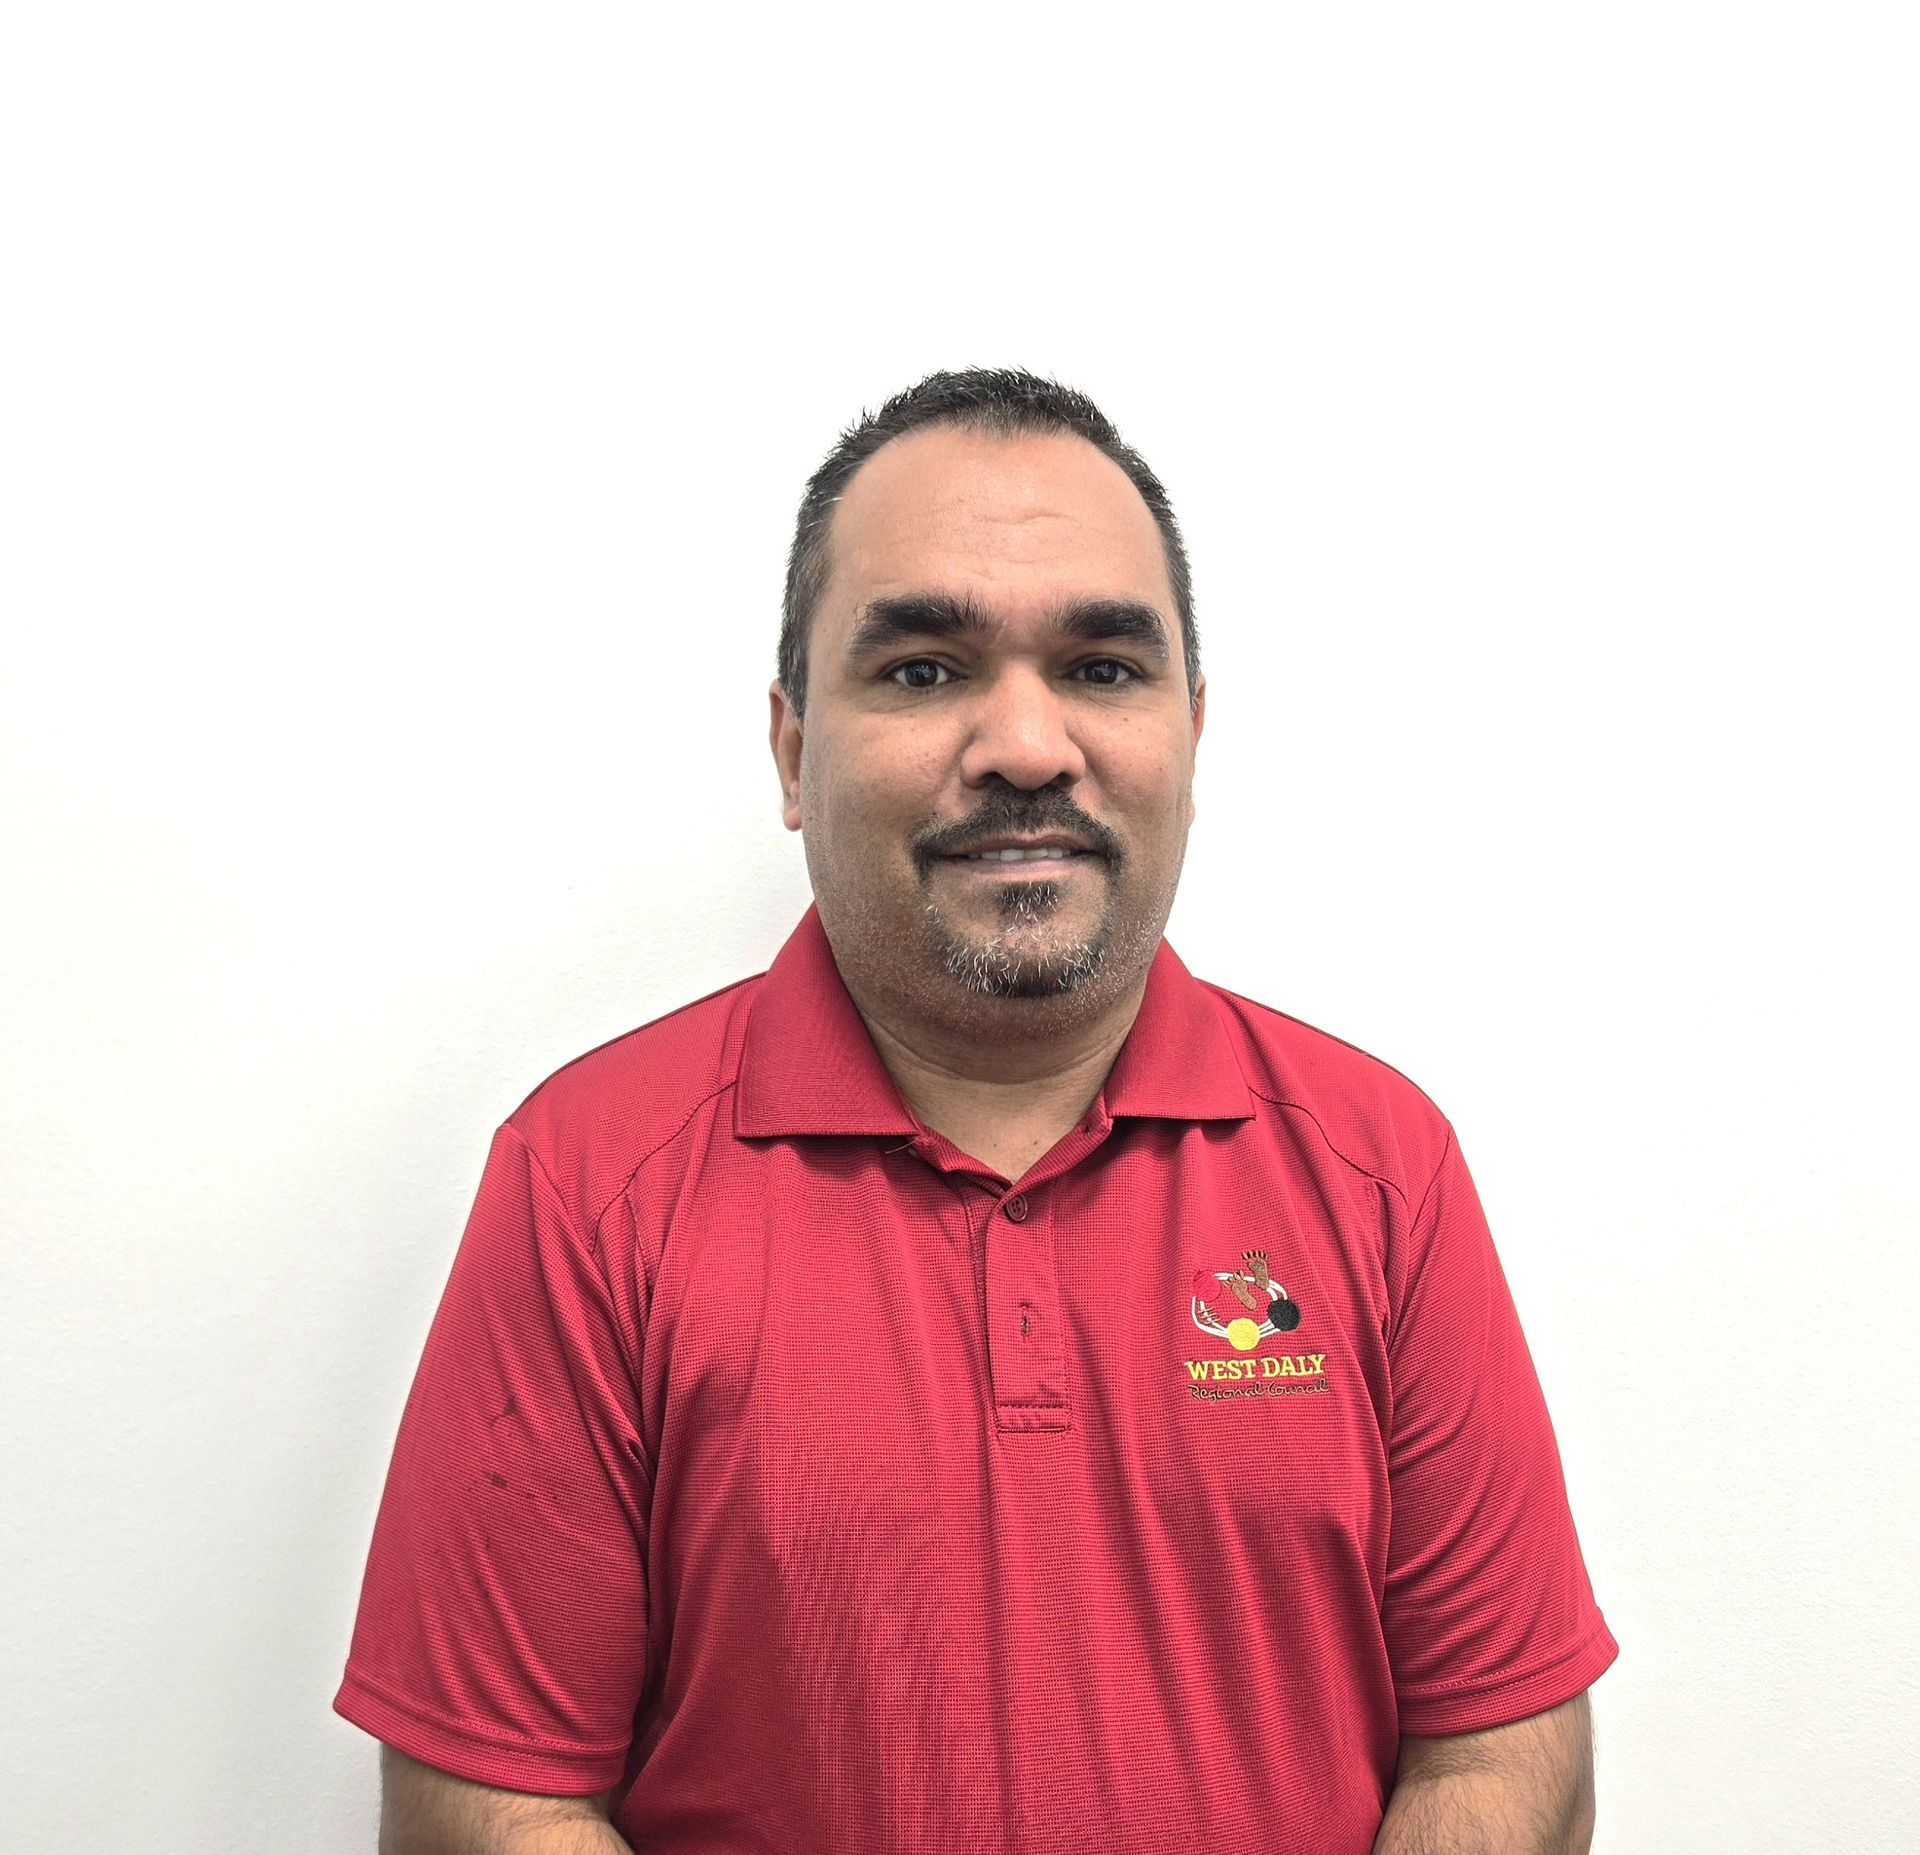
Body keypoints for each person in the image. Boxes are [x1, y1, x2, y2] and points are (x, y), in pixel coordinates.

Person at [334, 368, 1618, 1853]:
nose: (1025, 745)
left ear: (1192, 739)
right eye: (927, 669)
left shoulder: (1379, 1166)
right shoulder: (588, 1182)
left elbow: (1501, 1756)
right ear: (796, 752)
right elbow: (487, 1800)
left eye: (1102, 668)